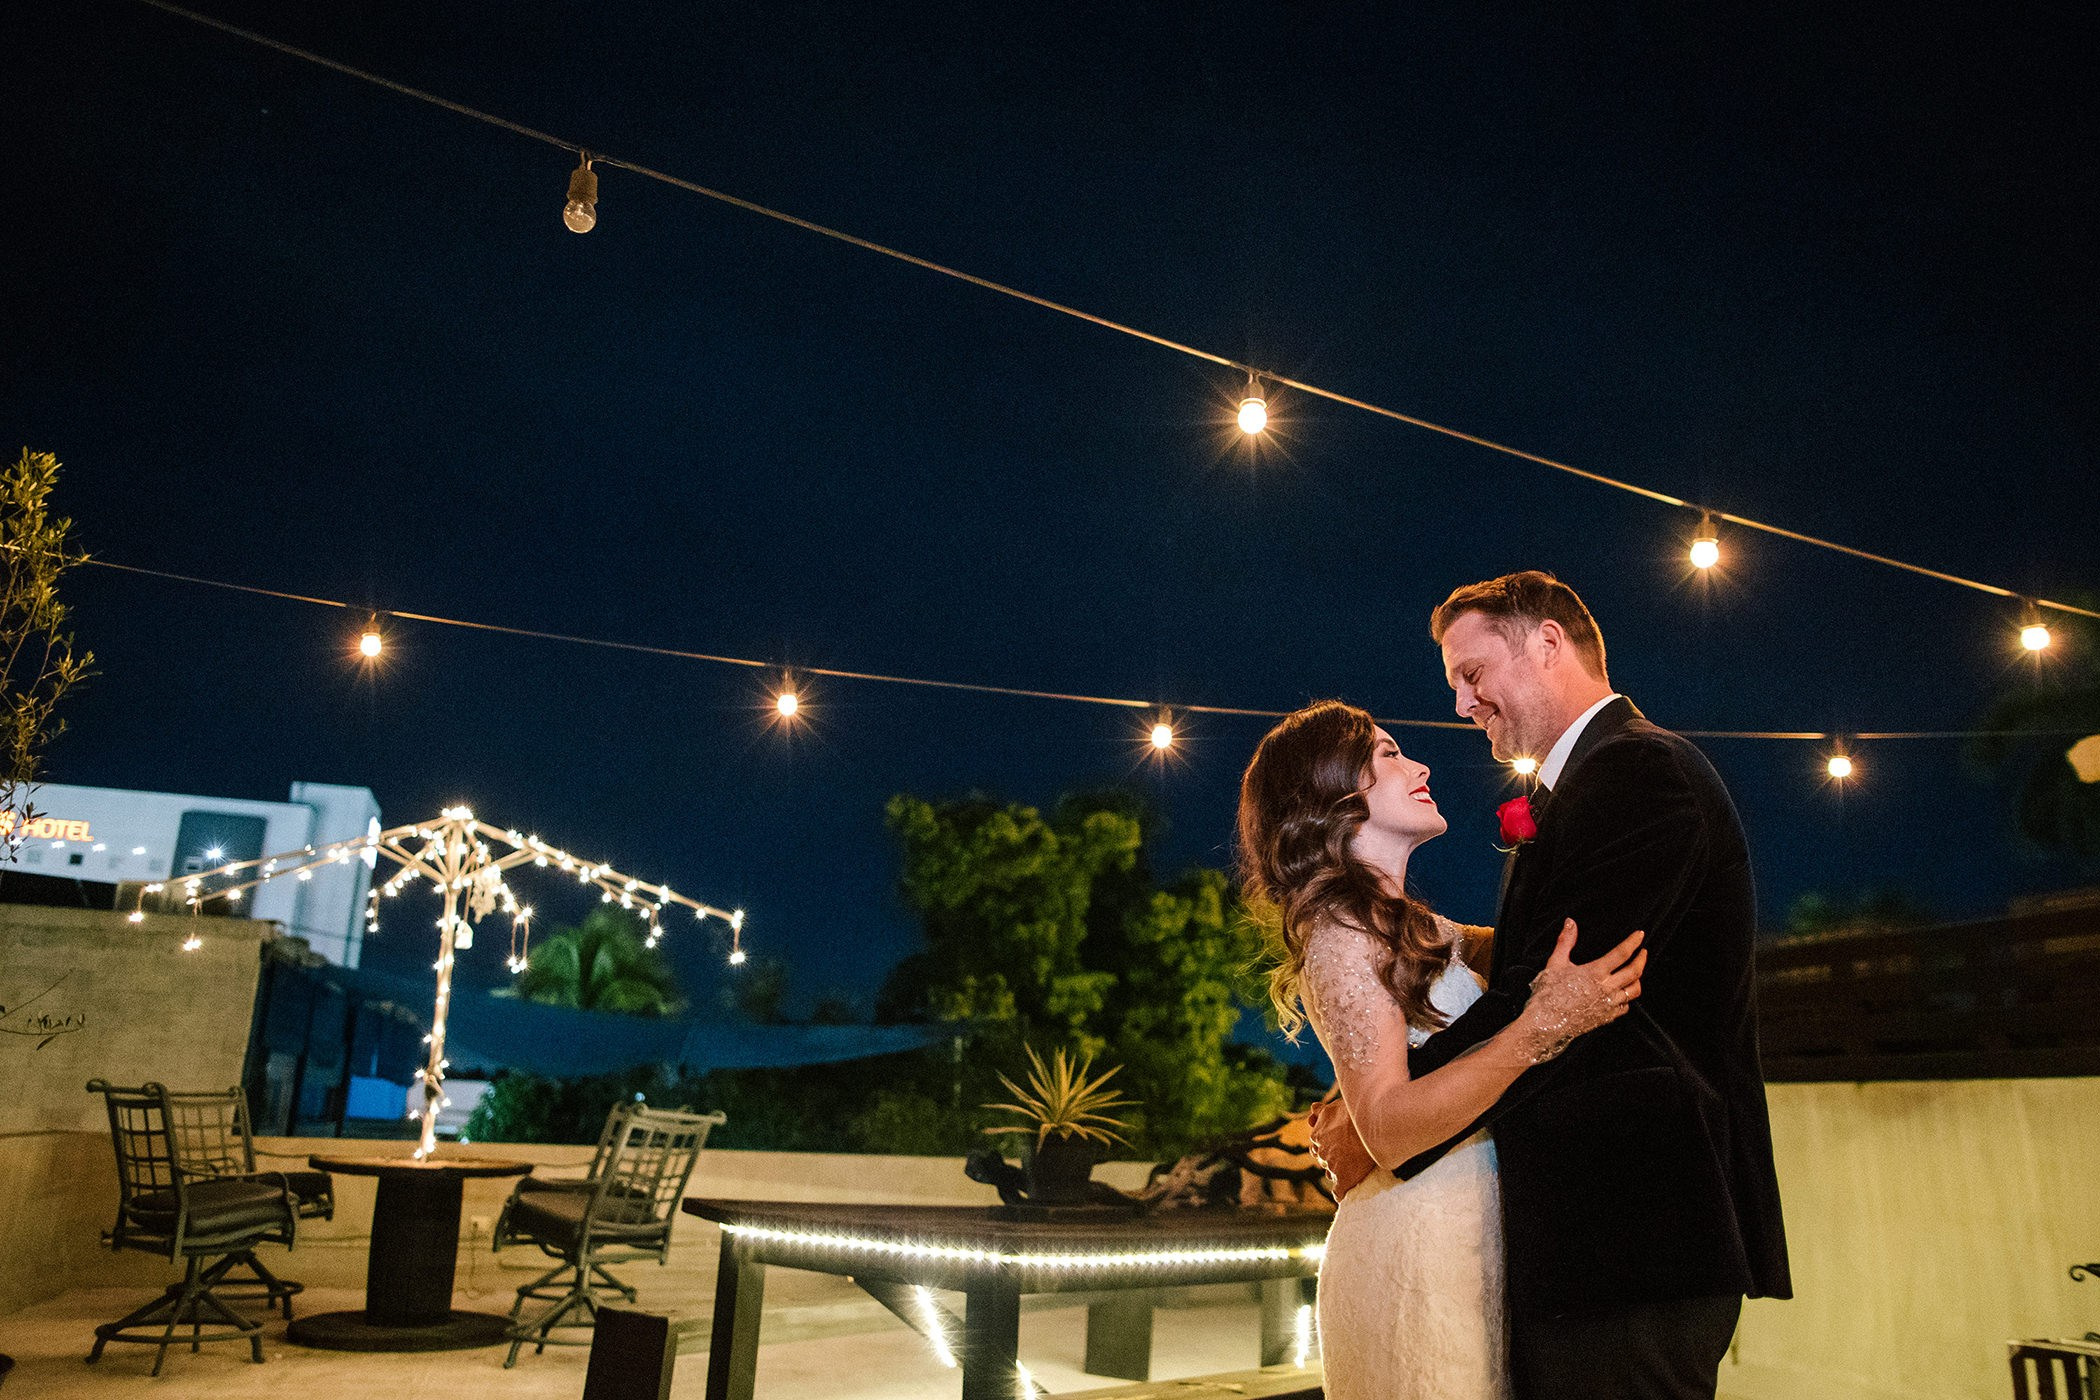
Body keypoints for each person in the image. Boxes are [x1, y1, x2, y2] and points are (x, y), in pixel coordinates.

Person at [1312, 571, 1791, 1400]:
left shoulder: (1640, 772)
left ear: (1546, 643)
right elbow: (1530, 979)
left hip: (1635, 1229)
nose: (1462, 704)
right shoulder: (1587, 785)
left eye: (1472, 674)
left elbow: (1550, 997)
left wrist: (1384, 1119)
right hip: (1593, 1244)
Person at [1238, 698, 1646, 1400]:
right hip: (1414, 1240)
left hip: (1467, 1234)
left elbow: (1519, 951)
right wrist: (1539, 1030)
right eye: (1389, 754)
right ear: (1334, 794)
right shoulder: (1342, 938)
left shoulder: (1411, 926)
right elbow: (1389, 1130)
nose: (1421, 765)